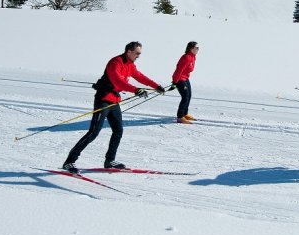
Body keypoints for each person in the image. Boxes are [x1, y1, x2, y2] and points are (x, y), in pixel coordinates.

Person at [62, 41, 165, 172]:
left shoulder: (130, 64)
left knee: (118, 130)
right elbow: (118, 81)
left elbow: (140, 77)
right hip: (103, 99)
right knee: (94, 132)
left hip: (114, 100)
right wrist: (136, 90)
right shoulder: (115, 62)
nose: (139, 56)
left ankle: (110, 160)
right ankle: (69, 161)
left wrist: (156, 86)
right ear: (129, 52)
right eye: (137, 53)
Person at [172, 41, 199, 123]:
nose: (198, 49)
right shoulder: (186, 58)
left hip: (185, 78)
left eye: (198, 48)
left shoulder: (193, 56)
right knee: (185, 97)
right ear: (191, 49)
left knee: (189, 95)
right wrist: (175, 82)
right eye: (196, 48)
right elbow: (178, 70)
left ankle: (185, 113)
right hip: (179, 79)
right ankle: (180, 116)